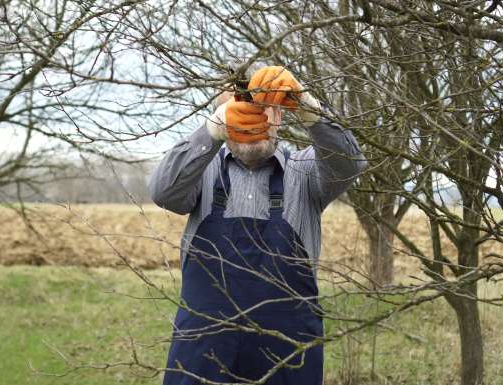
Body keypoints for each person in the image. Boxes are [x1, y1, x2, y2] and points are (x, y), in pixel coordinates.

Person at [149, 65, 367, 385]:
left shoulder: (305, 172)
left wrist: (308, 107)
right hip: (204, 349)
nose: (252, 122)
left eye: (263, 111)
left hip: (287, 355)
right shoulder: (204, 173)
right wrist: (211, 131)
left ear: (279, 116)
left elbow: (349, 165)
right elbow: (164, 192)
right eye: (239, 111)